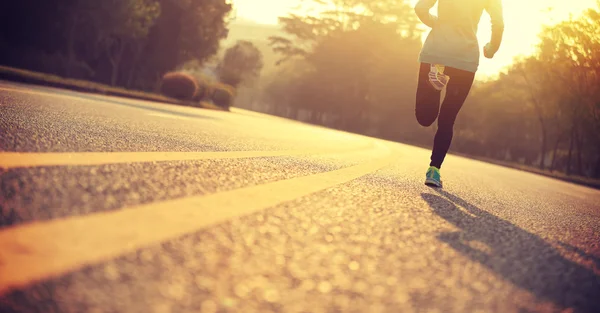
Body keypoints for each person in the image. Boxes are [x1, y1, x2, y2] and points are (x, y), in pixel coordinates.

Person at [414, 0, 504, 188]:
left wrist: (439, 24)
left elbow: (420, 8)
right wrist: (491, 48)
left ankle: (436, 79)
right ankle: (434, 169)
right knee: (447, 118)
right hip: (465, 59)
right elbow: (498, 23)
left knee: (425, 117)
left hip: (436, 53)